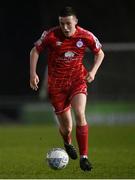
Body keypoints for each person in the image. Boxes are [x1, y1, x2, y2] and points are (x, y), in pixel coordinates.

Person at [30, 6, 104, 171]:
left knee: (80, 113)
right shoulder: (50, 35)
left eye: (68, 23)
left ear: (75, 22)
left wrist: (92, 71)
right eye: (62, 23)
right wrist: (32, 73)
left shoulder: (85, 35)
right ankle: (67, 142)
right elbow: (35, 51)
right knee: (67, 128)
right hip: (57, 87)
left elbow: (100, 53)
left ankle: (84, 157)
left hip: (77, 81)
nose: (65, 27)